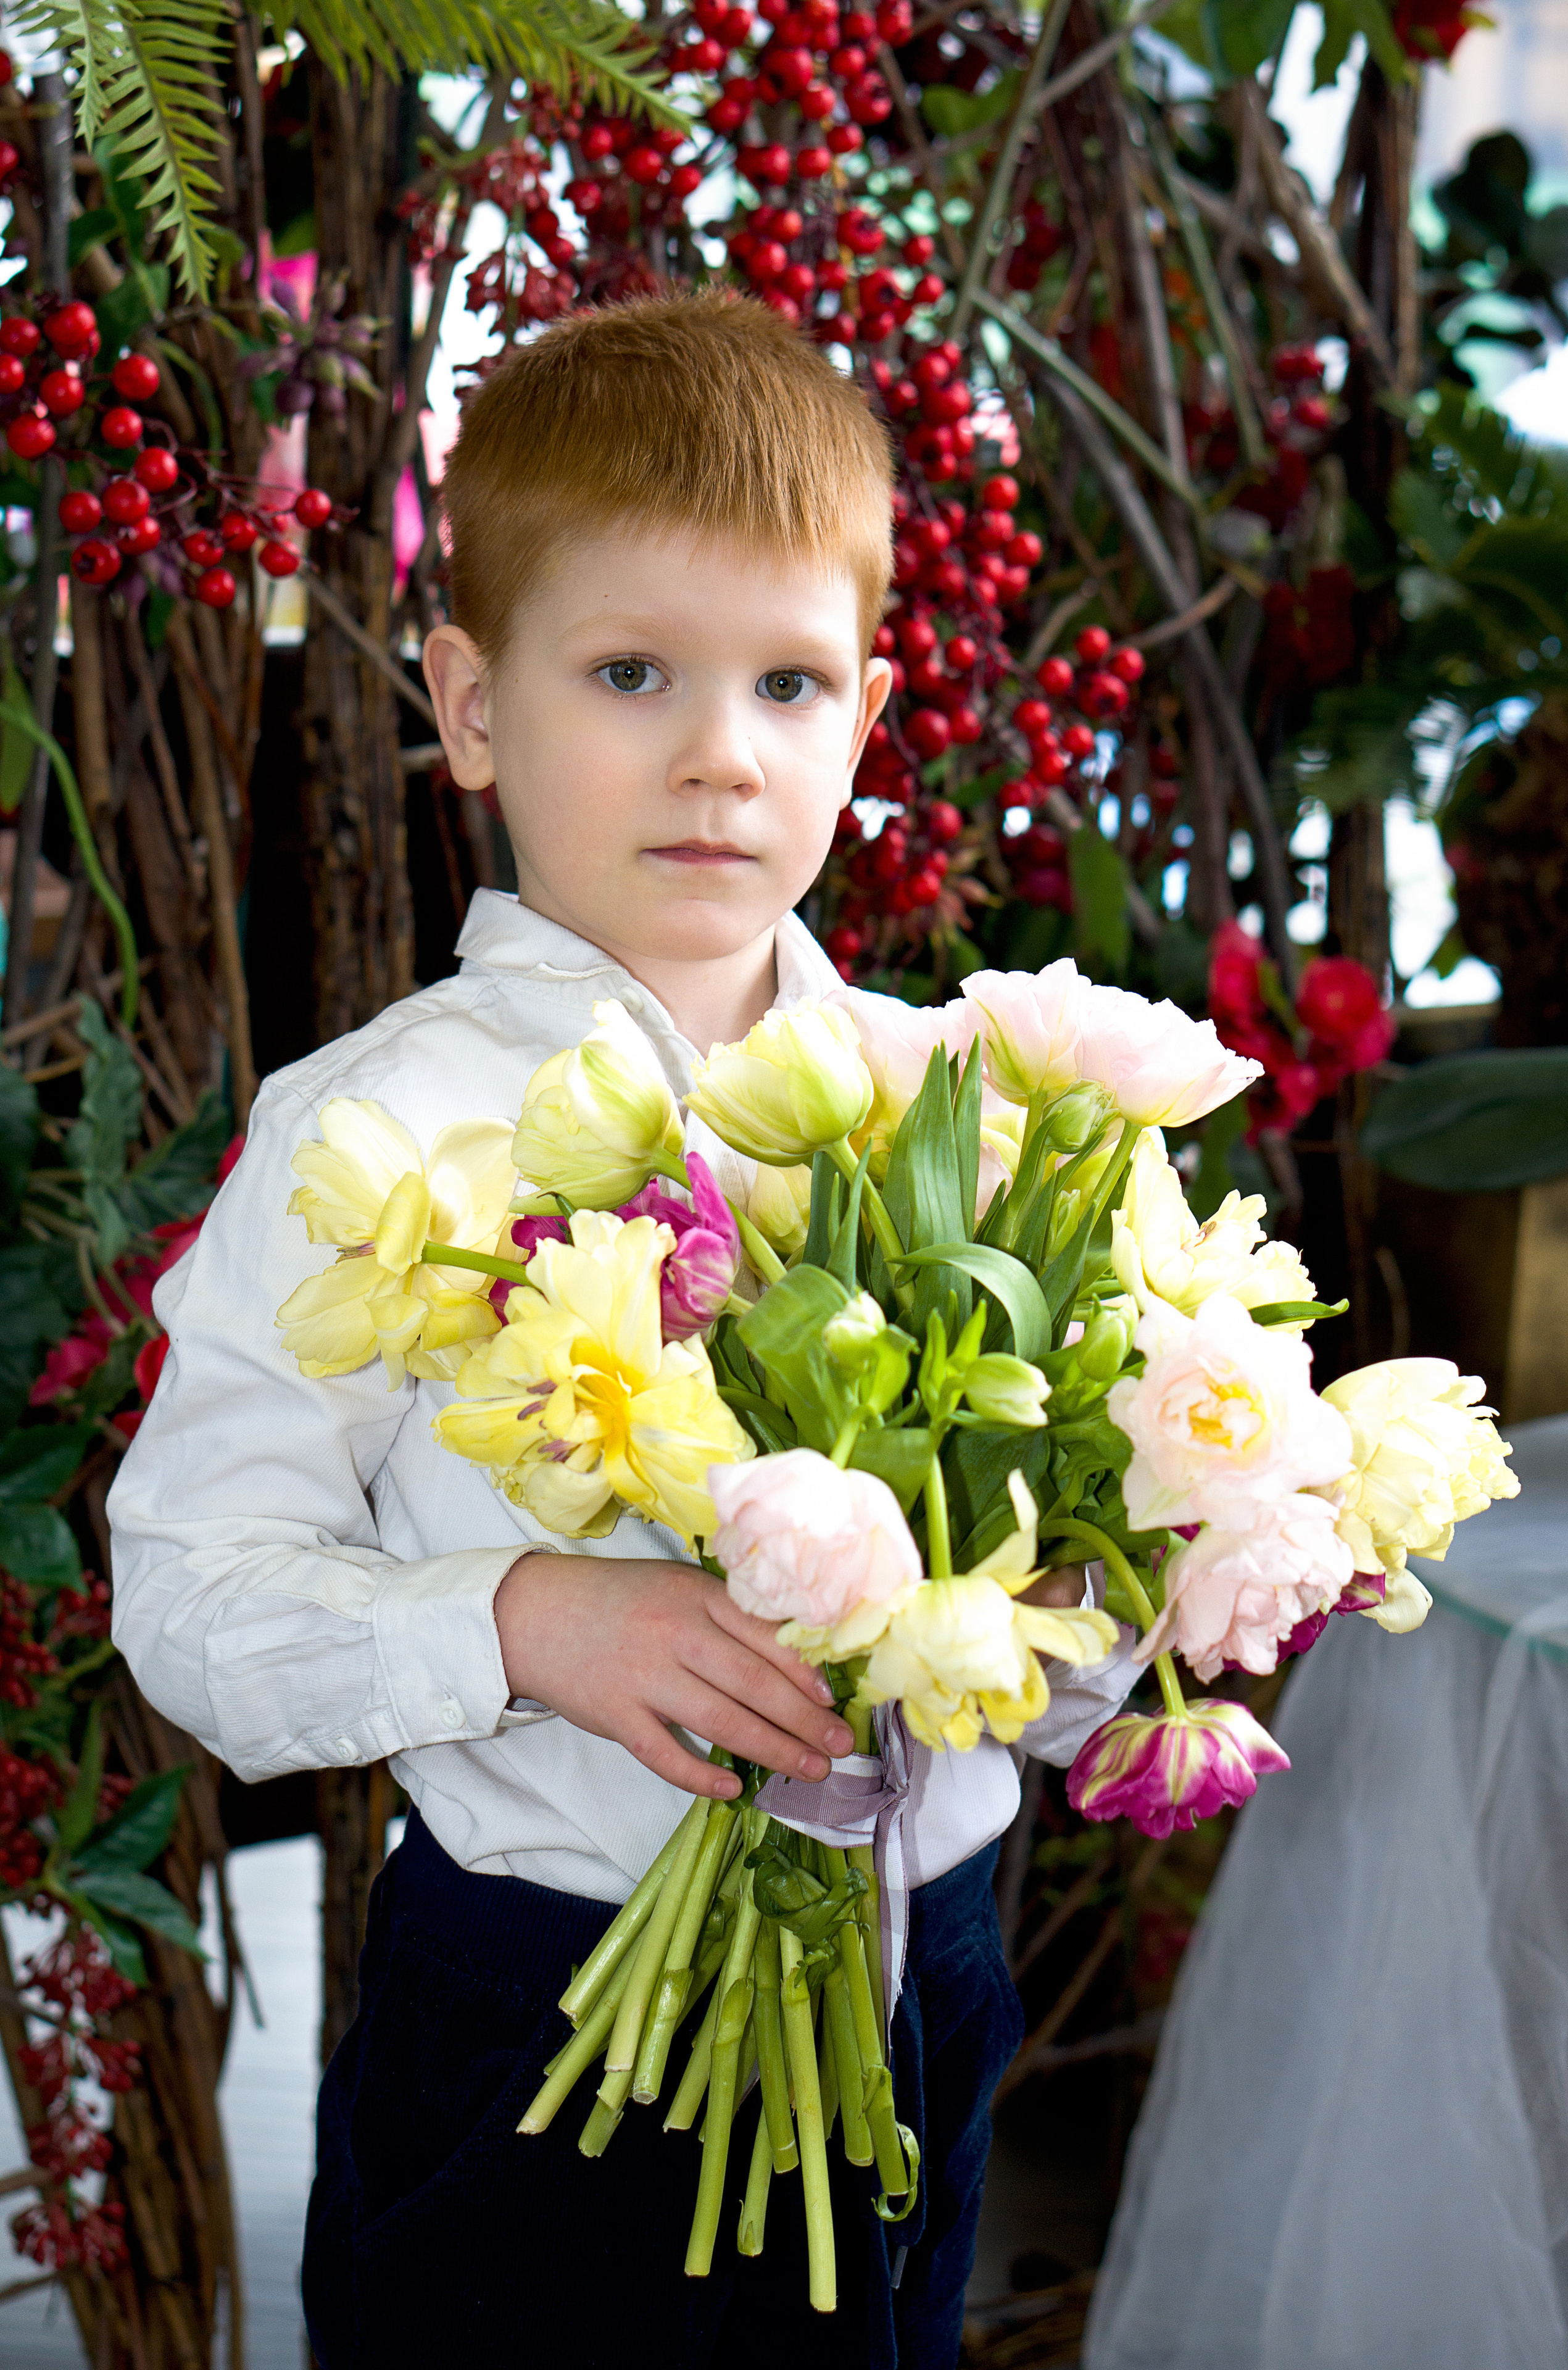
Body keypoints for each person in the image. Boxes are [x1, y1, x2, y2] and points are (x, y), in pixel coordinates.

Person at [107, 291, 1137, 2370]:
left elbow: (1079, 1616)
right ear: (473, 703)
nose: (719, 755)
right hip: (546, 2016)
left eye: (788, 683)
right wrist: (520, 1621)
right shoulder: (377, 1135)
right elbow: (186, 1592)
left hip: (927, 1969)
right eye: (633, 673)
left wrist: (1099, 1594)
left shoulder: (974, 1106)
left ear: (867, 712)